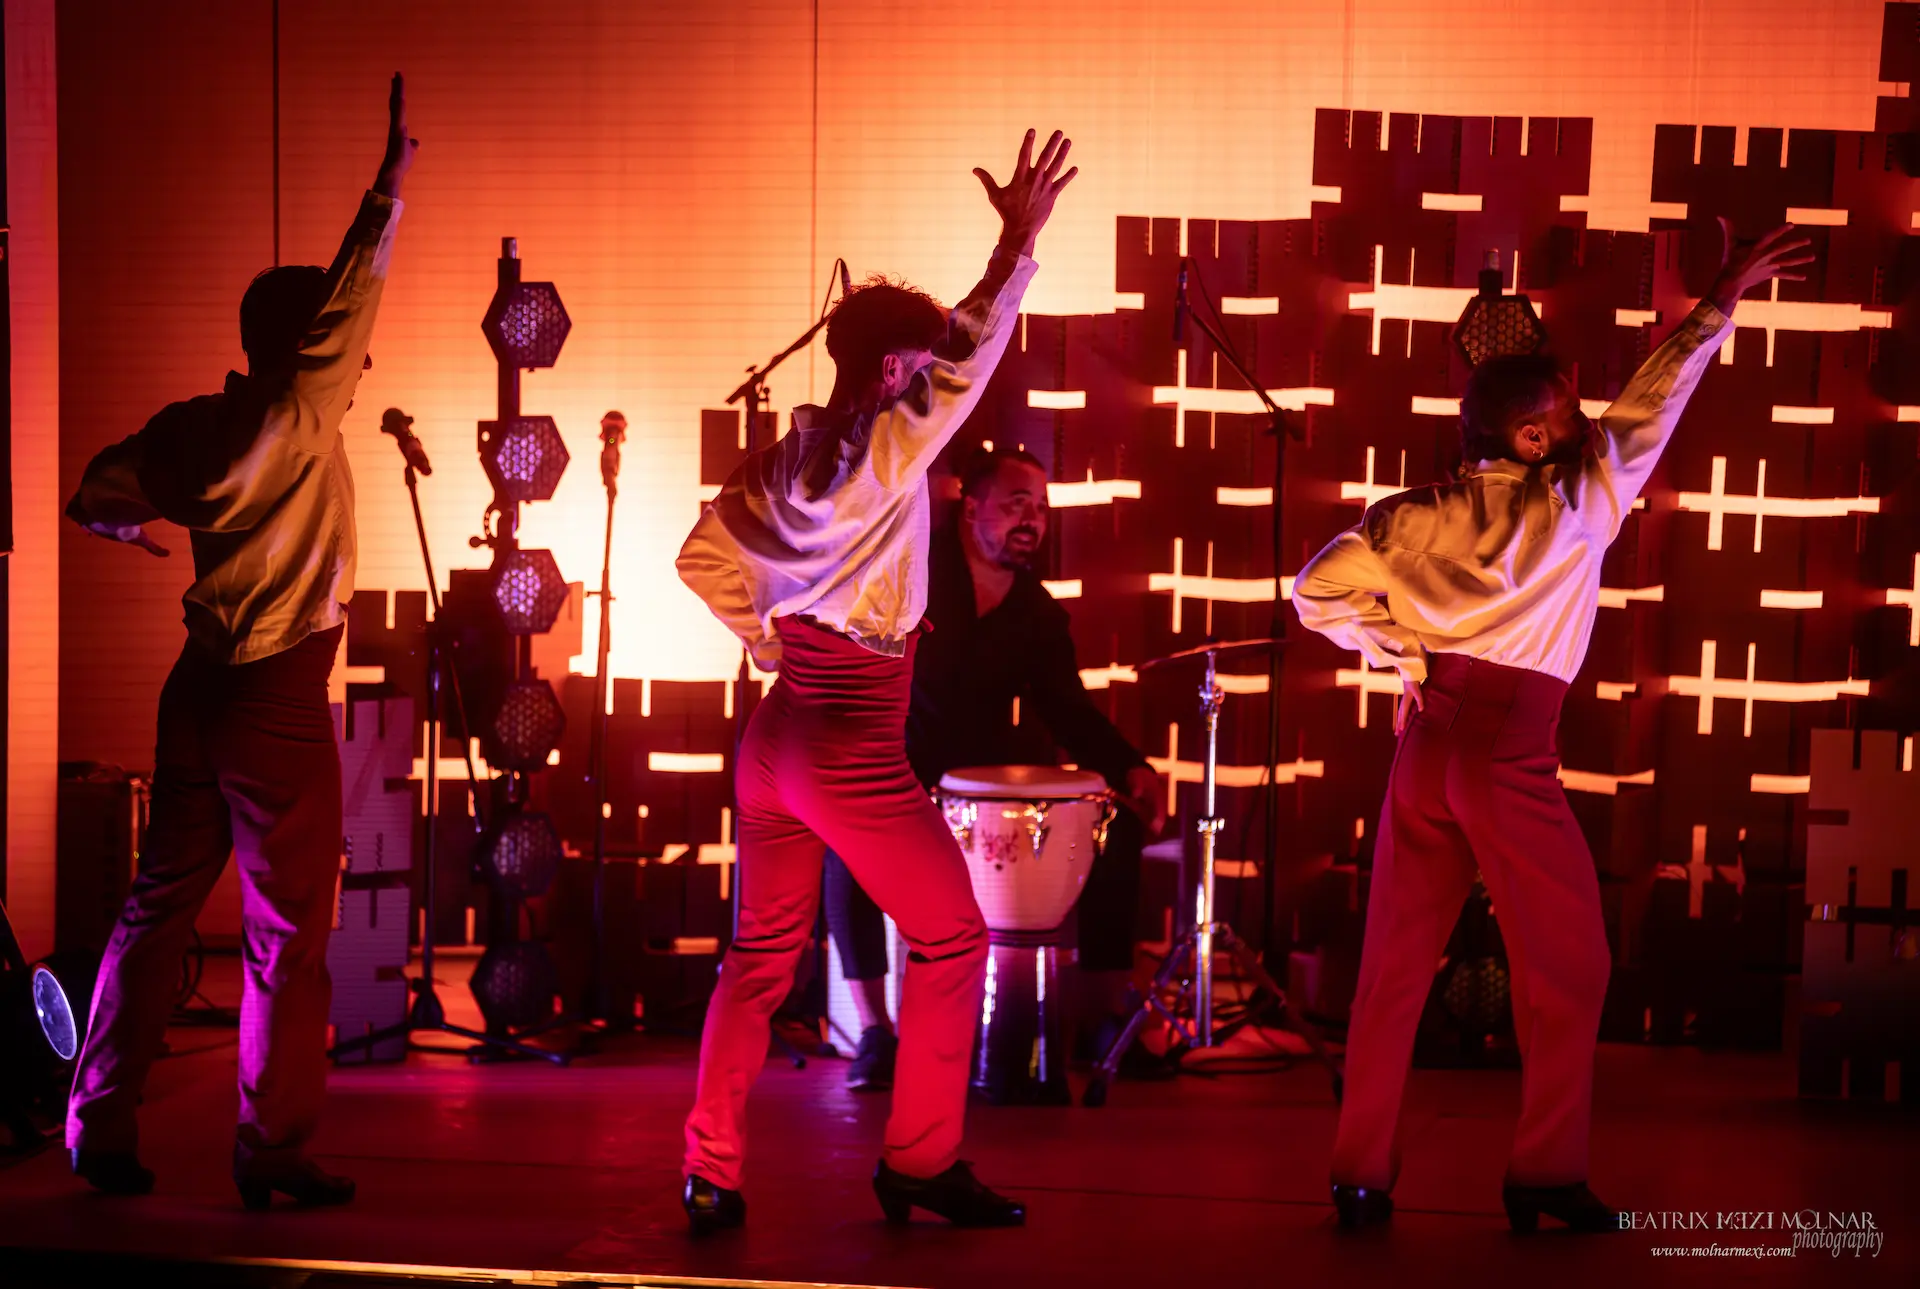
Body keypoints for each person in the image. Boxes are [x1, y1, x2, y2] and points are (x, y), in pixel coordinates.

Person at [1292, 221, 1813, 1233]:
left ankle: (1360, 1173)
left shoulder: (1410, 515)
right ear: (1531, 438)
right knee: (1570, 966)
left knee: (1394, 967)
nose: (1585, 422)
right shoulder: (1576, 503)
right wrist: (1719, 299)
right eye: (1568, 413)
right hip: (1508, 751)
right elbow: (1656, 402)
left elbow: (1315, 592)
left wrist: (1405, 653)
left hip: (1426, 742)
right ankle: (1542, 1174)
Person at [676, 129, 1076, 1233]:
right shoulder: (885, 453)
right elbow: (973, 351)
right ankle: (920, 1158)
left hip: (777, 732)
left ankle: (710, 1167)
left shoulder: (775, 460)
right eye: (922, 362)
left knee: (758, 956)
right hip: (849, 731)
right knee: (953, 938)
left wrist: (762, 631)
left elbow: (697, 557)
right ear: (898, 372)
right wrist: (1015, 244)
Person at [61, 75, 417, 1210]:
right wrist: (391, 181)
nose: (358, 365)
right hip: (274, 698)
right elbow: (357, 290)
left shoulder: (198, 425)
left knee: (155, 905)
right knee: (287, 933)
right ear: (307, 347)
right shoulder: (300, 411)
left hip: (196, 688)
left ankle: (96, 1123)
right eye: (338, 349)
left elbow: (100, 490)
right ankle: (270, 1152)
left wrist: (122, 519)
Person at [825, 444, 1166, 1092]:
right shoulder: (910, 576)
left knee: (1115, 829)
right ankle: (875, 1031)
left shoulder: (1038, 615)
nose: (1033, 518)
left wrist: (1131, 766)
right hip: (897, 769)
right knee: (844, 846)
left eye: (1040, 506)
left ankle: (1098, 1020)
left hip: (984, 785)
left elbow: (1071, 712)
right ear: (971, 506)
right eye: (1017, 503)